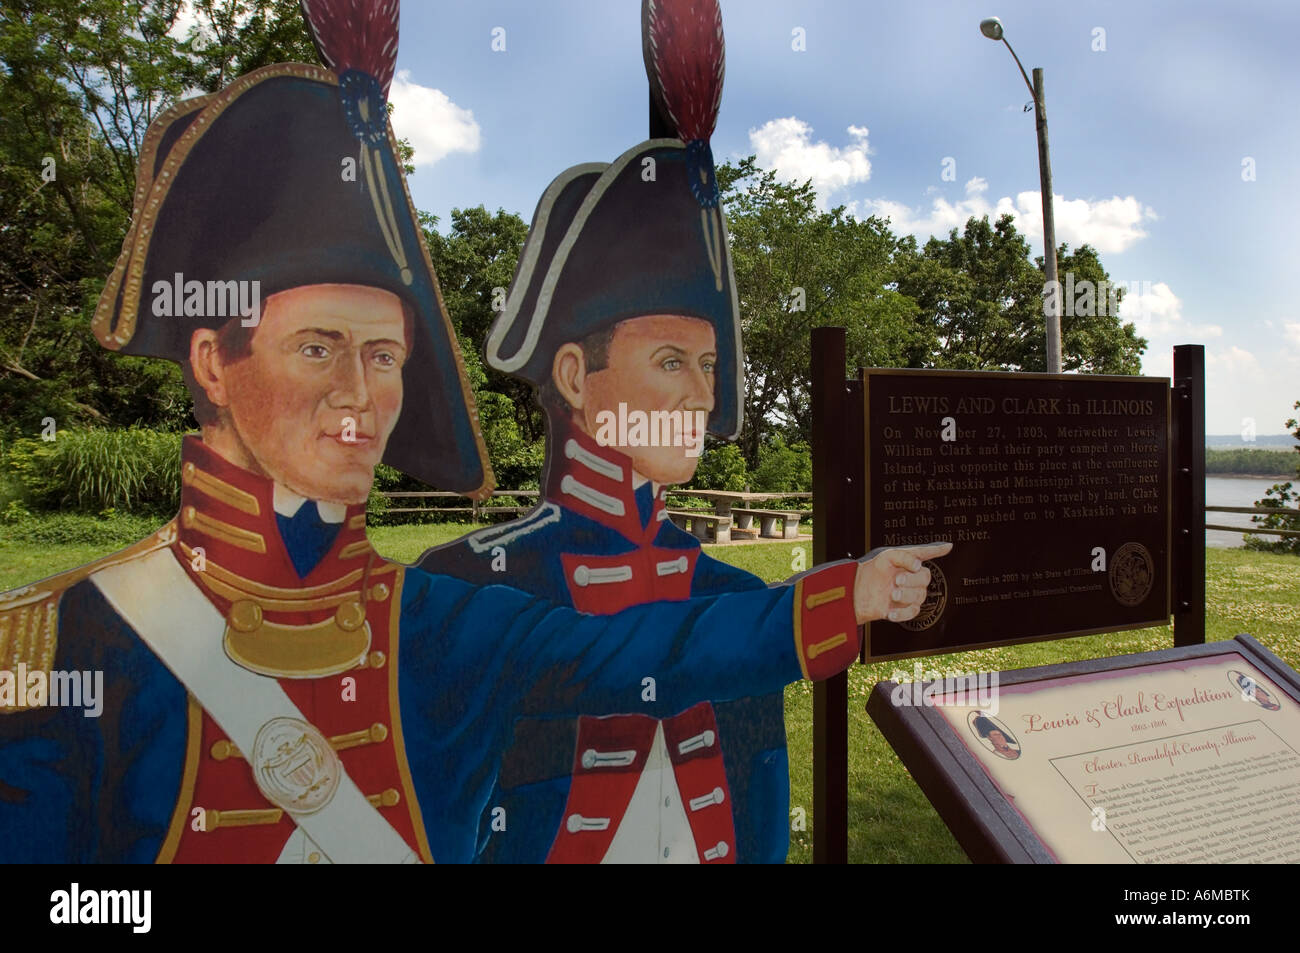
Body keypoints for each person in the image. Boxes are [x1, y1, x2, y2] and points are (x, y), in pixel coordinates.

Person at [0, 0, 948, 864]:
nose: (362, 395)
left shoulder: (438, 621)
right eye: (319, 346)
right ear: (212, 361)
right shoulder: (63, 643)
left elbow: (653, 654)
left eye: (383, 356)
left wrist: (853, 591)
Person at [419, 3, 794, 863]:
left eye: (708, 364)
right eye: (670, 359)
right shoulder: (471, 584)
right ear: (574, 379)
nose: (702, 393)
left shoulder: (738, 601)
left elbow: (762, 832)